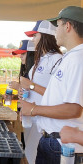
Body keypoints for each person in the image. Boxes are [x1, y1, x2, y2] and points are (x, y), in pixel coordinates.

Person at [19, 6, 83, 164]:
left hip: (62, 145)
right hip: (53, 141)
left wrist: (34, 109)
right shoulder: (71, 56)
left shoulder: (78, 59)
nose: (56, 31)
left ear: (67, 26)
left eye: (58, 25)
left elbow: (74, 109)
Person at [19, 20, 63, 164]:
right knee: (31, 156)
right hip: (36, 122)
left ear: (44, 36)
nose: (33, 40)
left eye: (35, 36)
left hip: (49, 126)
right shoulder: (41, 60)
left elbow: (59, 95)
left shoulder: (57, 60)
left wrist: (30, 86)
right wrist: (23, 92)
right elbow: (31, 88)